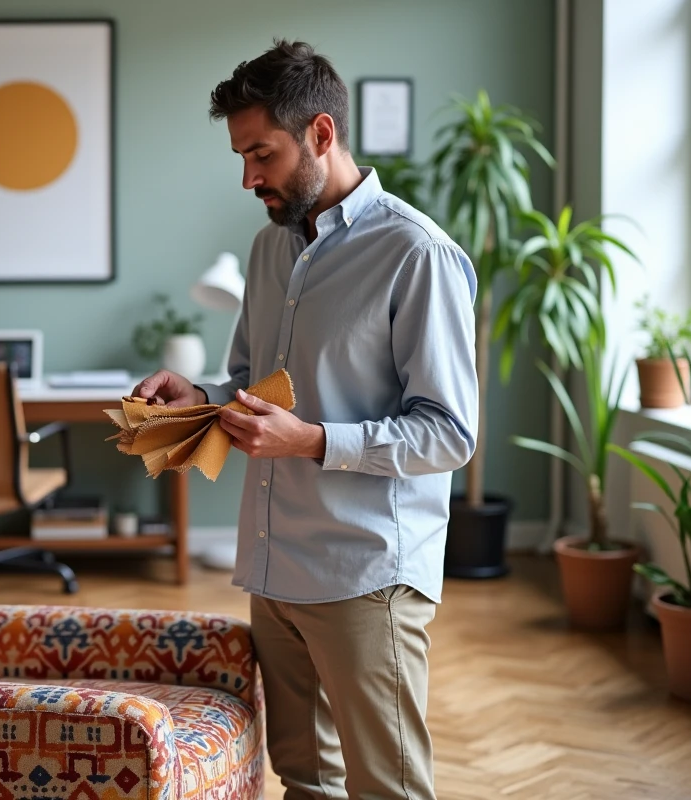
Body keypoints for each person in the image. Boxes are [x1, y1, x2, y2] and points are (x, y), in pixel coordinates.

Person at [132, 40, 479, 800]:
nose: (249, 177)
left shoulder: (416, 253)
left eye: (263, 154)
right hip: (274, 566)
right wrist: (199, 398)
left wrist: (313, 442)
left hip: (366, 576)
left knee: (387, 787)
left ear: (321, 134)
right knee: (304, 780)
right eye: (242, 157)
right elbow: (248, 383)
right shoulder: (269, 249)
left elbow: (450, 432)